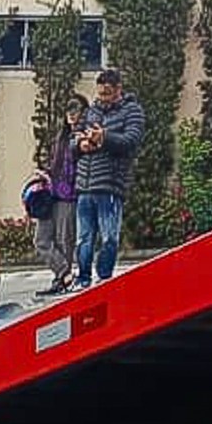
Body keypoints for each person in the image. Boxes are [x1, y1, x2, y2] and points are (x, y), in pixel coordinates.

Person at [74, 68, 146, 288]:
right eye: (100, 93)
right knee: (84, 238)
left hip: (110, 184)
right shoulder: (90, 112)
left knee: (109, 238)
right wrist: (80, 144)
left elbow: (131, 141)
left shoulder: (132, 111)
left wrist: (104, 138)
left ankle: (104, 279)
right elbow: (73, 138)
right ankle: (83, 278)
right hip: (85, 185)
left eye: (107, 94)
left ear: (118, 90)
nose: (102, 98)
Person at [31, 93, 87, 297]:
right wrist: (45, 174)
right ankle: (64, 273)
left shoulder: (85, 137)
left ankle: (61, 280)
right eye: (69, 110)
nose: (71, 114)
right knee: (41, 239)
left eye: (76, 109)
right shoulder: (61, 137)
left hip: (70, 195)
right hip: (51, 193)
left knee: (65, 240)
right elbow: (56, 166)